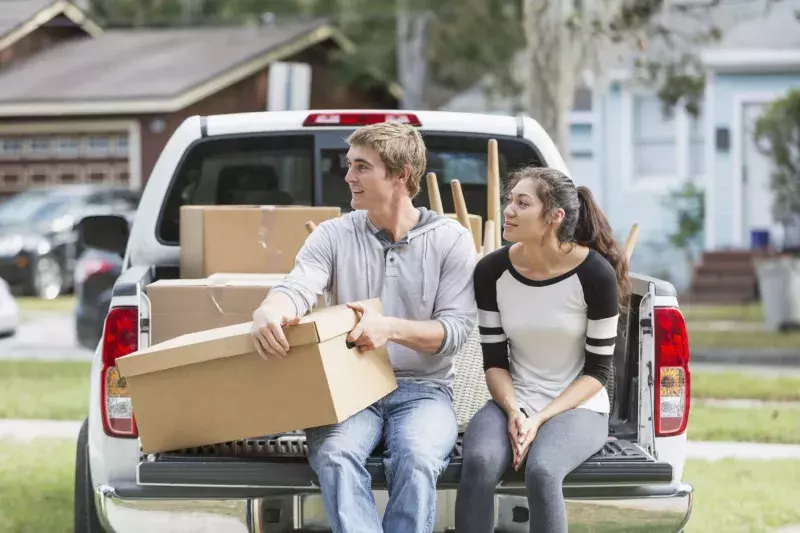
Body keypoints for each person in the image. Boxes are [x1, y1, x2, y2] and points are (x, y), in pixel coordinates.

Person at [250, 121, 478, 533]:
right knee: (335, 455)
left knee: (418, 458)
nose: (348, 176)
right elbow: (299, 285)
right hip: (349, 389)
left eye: (361, 167)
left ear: (400, 175)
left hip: (424, 390)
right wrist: (270, 308)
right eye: (349, 164)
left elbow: (455, 331)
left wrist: (389, 328)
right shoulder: (333, 234)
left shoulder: (452, 240)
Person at [454, 166, 630, 533]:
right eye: (509, 200)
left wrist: (539, 419)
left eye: (522, 202)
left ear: (554, 217)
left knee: (543, 469)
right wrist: (516, 411)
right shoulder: (491, 271)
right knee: (479, 462)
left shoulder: (595, 275)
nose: (509, 210)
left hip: (579, 406)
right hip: (513, 400)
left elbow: (598, 373)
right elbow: (494, 361)